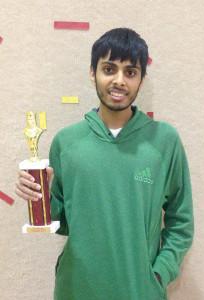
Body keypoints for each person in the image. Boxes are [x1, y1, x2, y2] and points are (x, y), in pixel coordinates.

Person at [15, 28, 194, 300]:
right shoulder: (67, 142)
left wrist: (158, 274)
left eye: (130, 72)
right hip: (76, 290)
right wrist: (38, 199)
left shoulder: (164, 141)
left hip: (140, 291)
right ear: (92, 73)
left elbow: (181, 222)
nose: (119, 81)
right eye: (109, 69)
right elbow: (62, 222)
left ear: (141, 80)